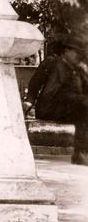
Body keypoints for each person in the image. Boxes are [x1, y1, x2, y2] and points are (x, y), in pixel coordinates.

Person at [23, 33, 88, 165]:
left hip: (70, 107)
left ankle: (81, 152)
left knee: (84, 110)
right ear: (66, 51)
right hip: (50, 107)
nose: (79, 57)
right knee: (84, 108)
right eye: (77, 53)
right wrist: (29, 100)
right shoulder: (52, 62)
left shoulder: (77, 70)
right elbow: (35, 83)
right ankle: (80, 153)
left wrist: (85, 73)